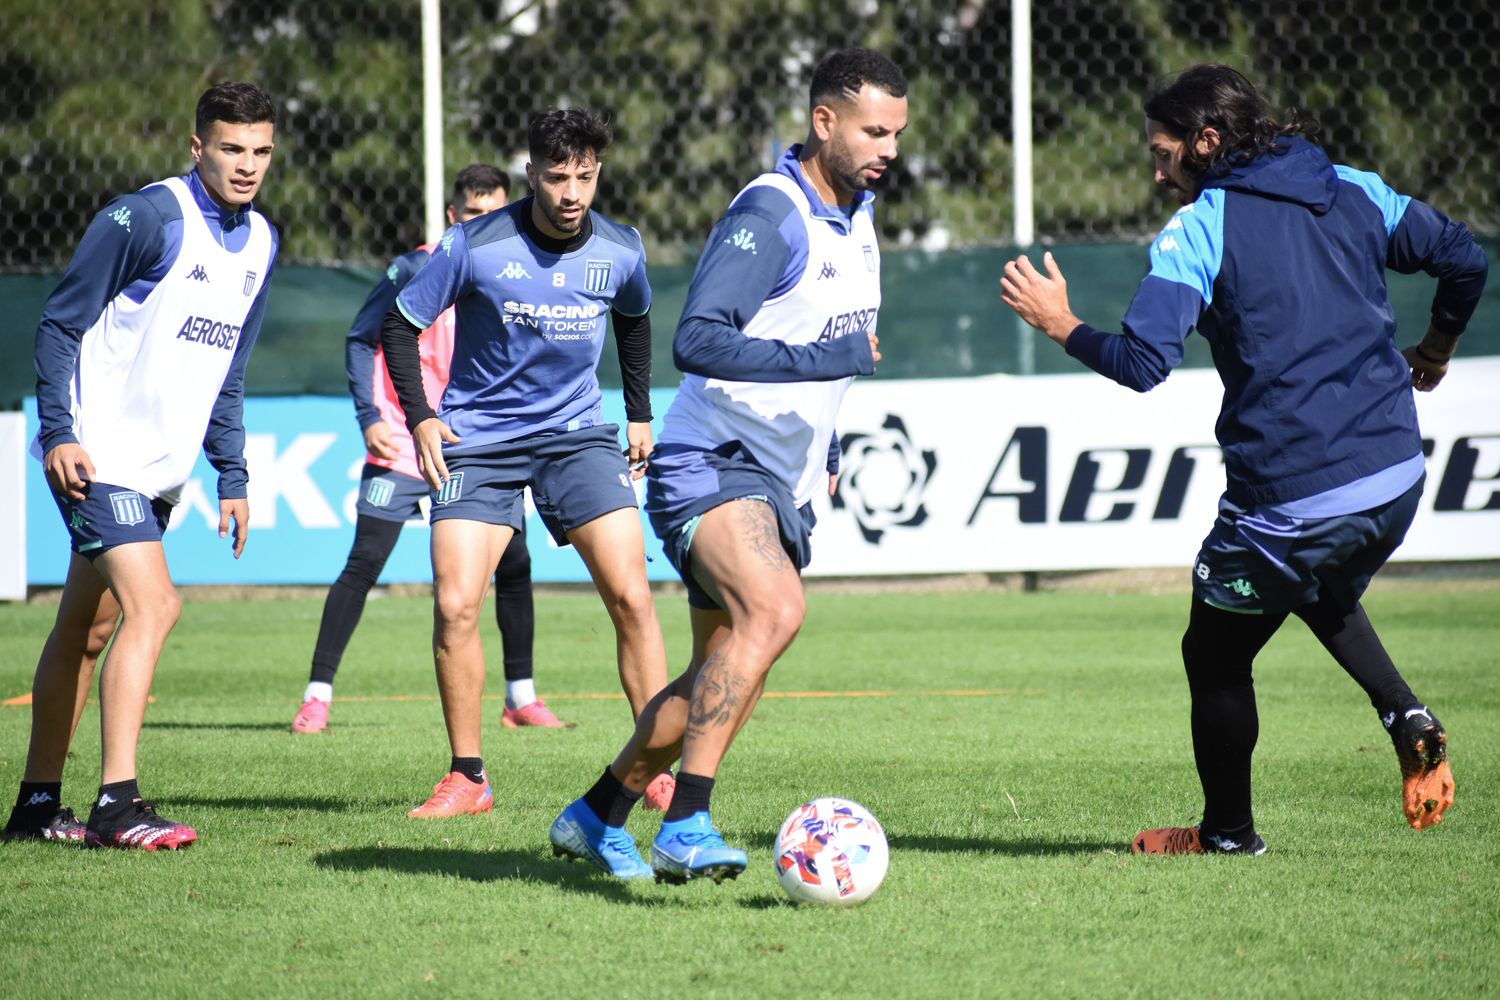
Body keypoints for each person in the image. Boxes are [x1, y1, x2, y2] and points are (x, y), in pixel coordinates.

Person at [999, 65, 1486, 855]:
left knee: (1215, 652)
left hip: (1290, 493)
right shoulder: (1348, 184)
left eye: (1164, 154)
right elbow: (1463, 258)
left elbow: (1142, 364)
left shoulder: (1201, 226)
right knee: (1305, 577)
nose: (1157, 172)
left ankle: (1228, 835)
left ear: (1208, 141)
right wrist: (1435, 347)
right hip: (1397, 472)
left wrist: (1063, 325)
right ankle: (1406, 713)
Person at [548, 48, 906, 883]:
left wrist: (831, 443)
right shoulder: (771, 213)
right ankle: (688, 821)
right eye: (873, 130)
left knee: (720, 676)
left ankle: (594, 815)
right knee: (776, 611)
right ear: (825, 122)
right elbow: (697, 338)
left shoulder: (858, 216)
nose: (888, 147)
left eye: (896, 132)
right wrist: (828, 359)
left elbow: (826, 344)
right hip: (711, 456)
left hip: (776, 477)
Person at [3, 82, 281, 850]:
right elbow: (60, 324)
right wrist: (59, 431)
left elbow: (230, 371)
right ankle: (117, 803)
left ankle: (34, 808)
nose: (247, 164)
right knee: (155, 607)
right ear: (198, 148)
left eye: (260, 150)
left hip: (160, 473)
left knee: (85, 632)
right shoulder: (147, 217)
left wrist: (232, 474)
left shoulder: (262, 242)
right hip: (97, 459)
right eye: (231, 148)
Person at [381, 108, 675, 819]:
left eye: (584, 175)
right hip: (479, 441)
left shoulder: (621, 249)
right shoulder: (473, 244)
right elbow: (400, 321)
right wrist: (421, 416)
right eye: (556, 176)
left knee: (633, 598)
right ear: (531, 174)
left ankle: (659, 768)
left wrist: (638, 412)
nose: (572, 191)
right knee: (455, 604)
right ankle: (469, 778)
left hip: (577, 436)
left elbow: (634, 322)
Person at [291, 165, 567, 734]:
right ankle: (316, 697)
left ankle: (520, 697)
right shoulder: (418, 266)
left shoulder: (512, 267)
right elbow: (362, 336)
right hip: (403, 440)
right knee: (364, 564)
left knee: (514, 564)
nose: (482, 222)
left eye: (492, 212)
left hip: (473, 444)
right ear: (452, 216)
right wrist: (370, 417)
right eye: (472, 213)